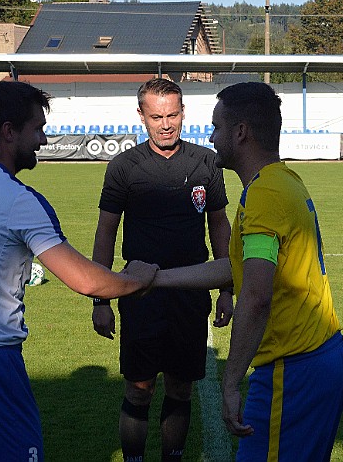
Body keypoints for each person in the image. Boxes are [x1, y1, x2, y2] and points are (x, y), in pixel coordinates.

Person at [0, 81, 158, 461]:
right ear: (9, 131)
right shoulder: (19, 199)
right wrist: (140, 277)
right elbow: (85, 279)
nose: (43, 140)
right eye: (37, 129)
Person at [152, 82, 343, 461]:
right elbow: (237, 269)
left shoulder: (265, 194)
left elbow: (256, 295)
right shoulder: (280, 181)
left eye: (216, 127)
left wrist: (230, 383)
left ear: (240, 132)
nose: (210, 137)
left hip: (293, 369)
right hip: (317, 359)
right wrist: (158, 279)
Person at [91, 78, 232, 461]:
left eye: (172, 115)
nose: (166, 124)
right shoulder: (124, 167)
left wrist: (226, 289)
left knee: (181, 387)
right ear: (141, 116)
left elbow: (219, 224)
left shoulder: (206, 162)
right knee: (139, 387)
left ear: (183, 112)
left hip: (191, 294)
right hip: (140, 296)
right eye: (156, 116)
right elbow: (106, 230)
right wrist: (100, 299)